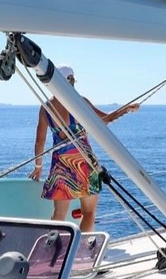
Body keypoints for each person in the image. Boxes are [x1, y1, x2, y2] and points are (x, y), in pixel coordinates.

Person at [28, 66, 139, 232]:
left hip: (61, 166)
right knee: (88, 213)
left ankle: (54, 252)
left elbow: (39, 142)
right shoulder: (79, 102)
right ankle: (80, 252)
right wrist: (126, 109)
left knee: (58, 216)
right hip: (85, 164)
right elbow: (106, 119)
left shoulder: (46, 108)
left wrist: (38, 167)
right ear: (71, 81)